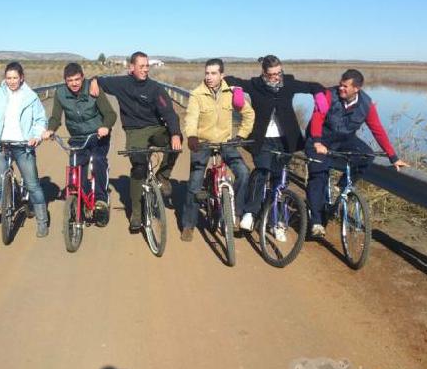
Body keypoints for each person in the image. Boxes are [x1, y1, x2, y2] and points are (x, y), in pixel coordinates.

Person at [224, 55, 325, 232]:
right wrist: (238, 90)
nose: (277, 77)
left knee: (279, 179)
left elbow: (314, 86)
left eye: (279, 72)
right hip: (262, 139)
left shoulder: (289, 83)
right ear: (264, 73)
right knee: (262, 171)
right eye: (272, 74)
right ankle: (250, 213)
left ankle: (274, 218)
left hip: (285, 140)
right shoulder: (255, 85)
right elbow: (228, 79)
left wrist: (319, 96)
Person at [305, 69, 409, 237]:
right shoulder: (328, 95)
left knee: (367, 155)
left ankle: (342, 185)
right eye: (340, 84)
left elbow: (378, 130)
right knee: (319, 175)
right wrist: (317, 142)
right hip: (320, 138)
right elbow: (317, 117)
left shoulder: (366, 105)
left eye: (345, 86)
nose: (341, 88)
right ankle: (316, 222)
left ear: (356, 88)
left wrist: (393, 157)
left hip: (344, 139)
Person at [90, 51, 182, 232]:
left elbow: (169, 113)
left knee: (176, 142)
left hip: (155, 128)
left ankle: (163, 175)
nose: (145, 69)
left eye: (147, 66)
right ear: (131, 68)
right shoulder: (121, 83)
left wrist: (175, 133)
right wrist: (94, 80)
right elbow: (99, 80)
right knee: (139, 168)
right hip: (134, 131)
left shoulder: (155, 88)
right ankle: (137, 214)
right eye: (141, 66)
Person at [181, 58, 255, 241]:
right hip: (202, 143)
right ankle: (188, 224)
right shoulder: (197, 94)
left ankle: (235, 213)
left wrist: (241, 136)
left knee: (244, 173)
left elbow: (248, 113)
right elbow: (191, 118)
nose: (209, 77)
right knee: (194, 184)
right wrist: (191, 136)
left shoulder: (231, 93)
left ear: (222, 75)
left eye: (213, 73)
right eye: (207, 73)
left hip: (225, 142)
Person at [0, 61, 49, 238]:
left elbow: (40, 120)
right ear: (4, 78)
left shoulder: (31, 96)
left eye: (15, 77)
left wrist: (36, 136)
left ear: (21, 78)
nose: (12, 81)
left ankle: (42, 222)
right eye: (9, 78)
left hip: (24, 145)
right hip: (1, 144)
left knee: (32, 184)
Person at [42, 62, 117, 225]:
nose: (74, 83)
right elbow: (55, 116)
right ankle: (80, 199)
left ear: (83, 78)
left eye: (77, 79)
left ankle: (101, 201)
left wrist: (105, 126)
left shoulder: (93, 89)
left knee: (98, 160)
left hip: (98, 136)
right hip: (77, 137)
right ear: (65, 81)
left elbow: (111, 114)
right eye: (70, 80)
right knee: (76, 167)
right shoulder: (61, 93)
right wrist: (50, 129)